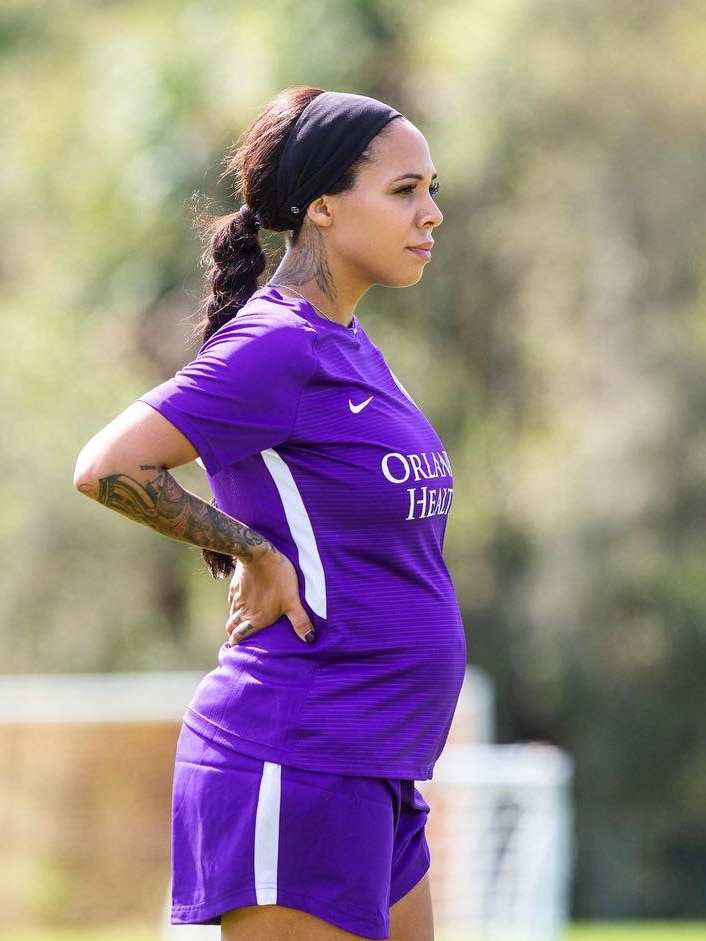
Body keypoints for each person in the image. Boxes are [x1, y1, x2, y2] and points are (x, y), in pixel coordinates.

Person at [74, 86, 466, 941]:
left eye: (431, 188)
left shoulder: (352, 345)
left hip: (377, 771)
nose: (431, 212)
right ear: (322, 207)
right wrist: (252, 550)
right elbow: (107, 466)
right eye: (405, 190)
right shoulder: (277, 343)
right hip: (298, 757)